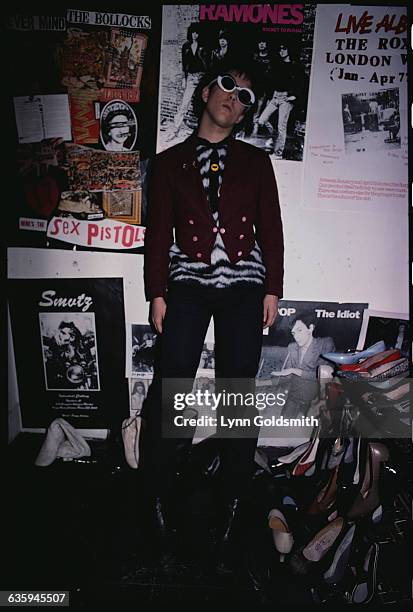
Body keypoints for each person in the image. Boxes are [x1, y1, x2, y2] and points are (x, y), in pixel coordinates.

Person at [143, 62, 284, 572]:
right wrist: (157, 291)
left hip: (246, 287)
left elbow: (272, 225)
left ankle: (231, 504)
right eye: (228, 86)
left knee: (237, 390)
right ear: (205, 92)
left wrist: (274, 288)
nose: (235, 98)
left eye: (247, 95)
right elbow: (158, 230)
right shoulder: (169, 162)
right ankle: (158, 498)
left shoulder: (256, 161)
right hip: (187, 285)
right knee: (172, 385)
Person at [271, 314, 334, 418]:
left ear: (311, 328)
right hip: (293, 397)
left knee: (305, 431)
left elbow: (326, 375)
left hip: (314, 399)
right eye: (294, 333)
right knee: (282, 427)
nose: (296, 337)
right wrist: (267, 382)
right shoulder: (292, 347)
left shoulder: (325, 344)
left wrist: (295, 370)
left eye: (300, 330)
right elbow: (286, 375)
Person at [257, 42, 306, 159]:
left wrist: (294, 96)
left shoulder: (295, 66)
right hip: (275, 97)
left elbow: (301, 82)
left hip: (285, 99)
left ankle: (278, 153)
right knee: (261, 120)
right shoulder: (277, 65)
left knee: (281, 127)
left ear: (289, 50)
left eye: (284, 49)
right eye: (280, 50)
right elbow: (272, 81)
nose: (281, 51)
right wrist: (270, 97)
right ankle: (275, 139)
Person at [168, 23, 207, 140]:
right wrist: (184, 80)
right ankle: (175, 130)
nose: (195, 35)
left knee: (204, 104)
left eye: (197, 32)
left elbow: (207, 64)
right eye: (193, 32)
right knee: (184, 104)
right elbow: (184, 64)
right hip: (191, 77)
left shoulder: (204, 46)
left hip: (202, 77)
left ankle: (203, 132)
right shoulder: (186, 46)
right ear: (190, 33)